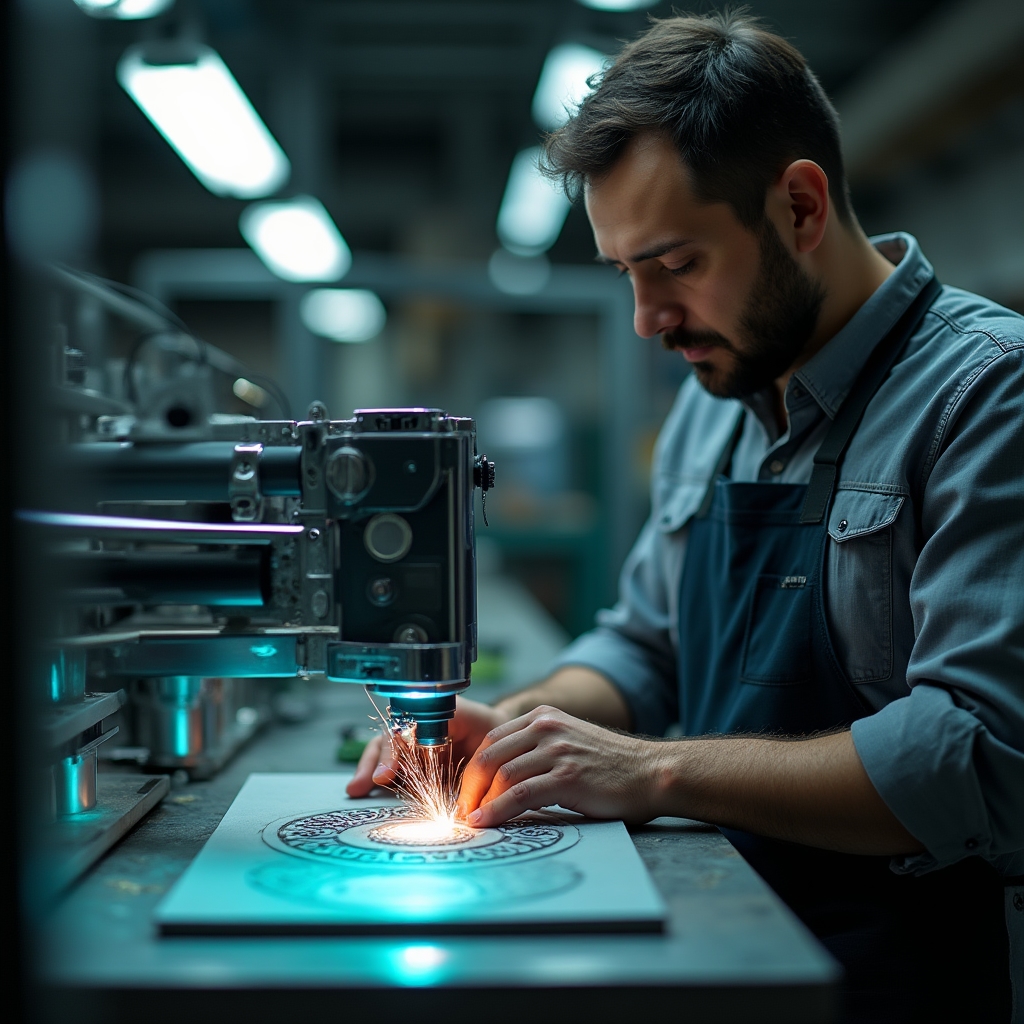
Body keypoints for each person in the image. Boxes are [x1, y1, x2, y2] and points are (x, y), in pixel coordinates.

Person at [349, 11, 1023, 1021]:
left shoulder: (985, 394)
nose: (646, 318)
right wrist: (526, 720)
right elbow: (646, 645)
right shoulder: (719, 401)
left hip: (901, 978)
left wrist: (653, 769)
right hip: (727, 940)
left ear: (799, 206)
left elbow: (976, 758)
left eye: (675, 264)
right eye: (626, 272)